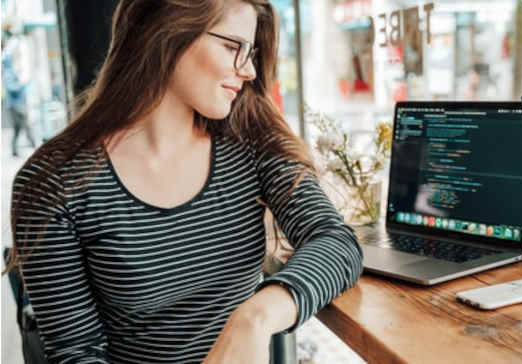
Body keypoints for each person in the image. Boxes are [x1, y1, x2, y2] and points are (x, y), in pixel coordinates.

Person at [6, 1, 363, 363]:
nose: (250, 70)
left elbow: (337, 242)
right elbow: (76, 354)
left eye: (251, 51)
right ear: (164, 33)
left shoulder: (252, 144)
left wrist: (254, 319)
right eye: (232, 46)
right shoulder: (53, 183)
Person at [2, 26, 37, 157]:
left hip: (15, 102)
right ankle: (33, 146)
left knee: (19, 127)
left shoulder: (11, 69)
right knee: (25, 125)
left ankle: (19, 149)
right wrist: (22, 84)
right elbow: (12, 86)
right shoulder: (8, 70)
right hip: (15, 102)